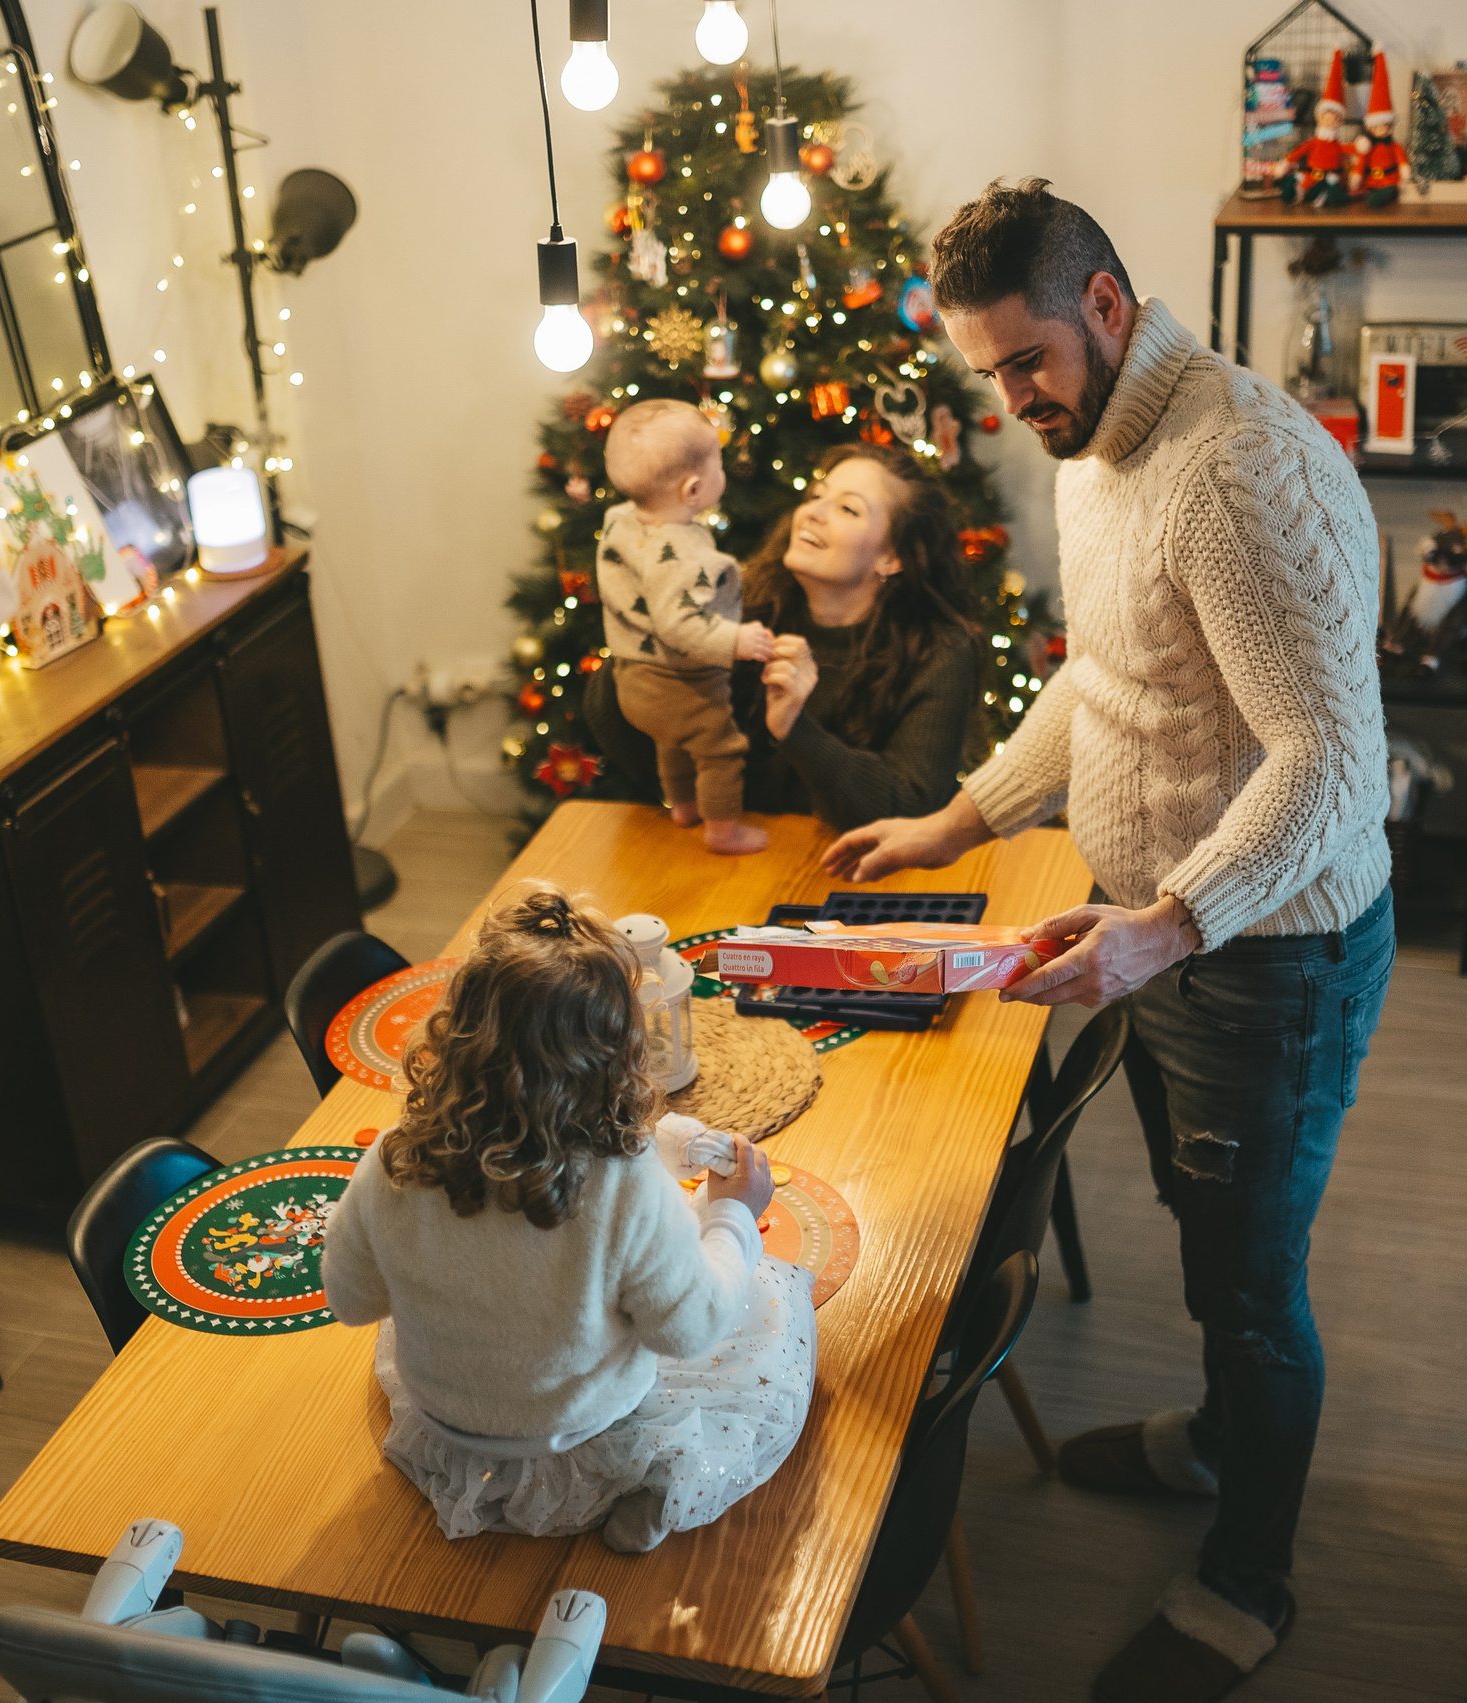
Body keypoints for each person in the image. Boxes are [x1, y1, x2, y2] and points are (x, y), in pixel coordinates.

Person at [825, 180, 1393, 1703]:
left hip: (1270, 956)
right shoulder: (1102, 453)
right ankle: (1215, 1444)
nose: (1012, 403)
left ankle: (1247, 1579)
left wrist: (1170, 924)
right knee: (1210, 1236)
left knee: (1254, 1287)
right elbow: (1113, 676)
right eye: (987, 375)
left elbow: (1331, 764)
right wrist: (963, 818)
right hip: (1171, 941)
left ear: (1109, 307)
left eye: (1028, 365)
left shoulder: (1233, 470)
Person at [319, 884, 815, 1553]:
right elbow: (687, 1330)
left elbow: (352, 1302)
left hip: (447, 1426)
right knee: (770, 1307)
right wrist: (729, 1212)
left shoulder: (392, 1159)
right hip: (585, 1429)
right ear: (613, 1056)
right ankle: (660, 1480)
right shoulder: (621, 1179)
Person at [586, 441, 983, 830]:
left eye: (847, 508)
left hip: (863, 882)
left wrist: (796, 728)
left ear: (891, 557)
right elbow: (638, 746)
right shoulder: (737, 612)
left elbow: (911, 809)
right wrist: (644, 638)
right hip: (735, 863)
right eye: (816, 495)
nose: (813, 512)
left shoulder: (939, 652)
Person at [597, 399, 779, 855]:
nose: (723, 467)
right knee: (718, 747)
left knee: (672, 739)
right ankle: (723, 830)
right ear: (693, 489)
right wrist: (737, 640)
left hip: (632, 677)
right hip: (678, 679)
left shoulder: (621, 521)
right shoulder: (682, 554)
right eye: (718, 459)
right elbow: (679, 625)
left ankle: (682, 805)